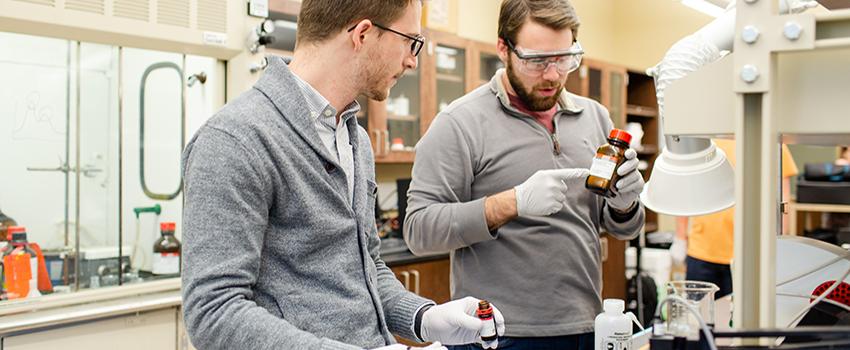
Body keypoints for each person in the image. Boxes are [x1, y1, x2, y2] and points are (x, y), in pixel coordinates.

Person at [180, 1, 504, 349]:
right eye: (411, 42)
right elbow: (214, 313)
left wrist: (424, 318)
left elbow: (366, 265)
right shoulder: (235, 139)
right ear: (363, 33)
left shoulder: (354, 138)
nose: (412, 60)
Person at [403, 0, 645, 349]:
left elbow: (622, 227)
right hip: (497, 334)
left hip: (585, 325)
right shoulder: (460, 123)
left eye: (563, 59)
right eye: (536, 61)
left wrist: (624, 206)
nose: (552, 75)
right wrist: (509, 203)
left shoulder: (595, 118)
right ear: (503, 48)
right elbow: (419, 230)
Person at [671, 140, 799, 298]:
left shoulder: (770, 139)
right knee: (700, 317)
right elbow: (686, 189)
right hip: (702, 251)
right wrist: (680, 237)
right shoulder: (703, 141)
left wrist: (780, 242)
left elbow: (782, 199)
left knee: (743, 318)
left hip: (750, 254)